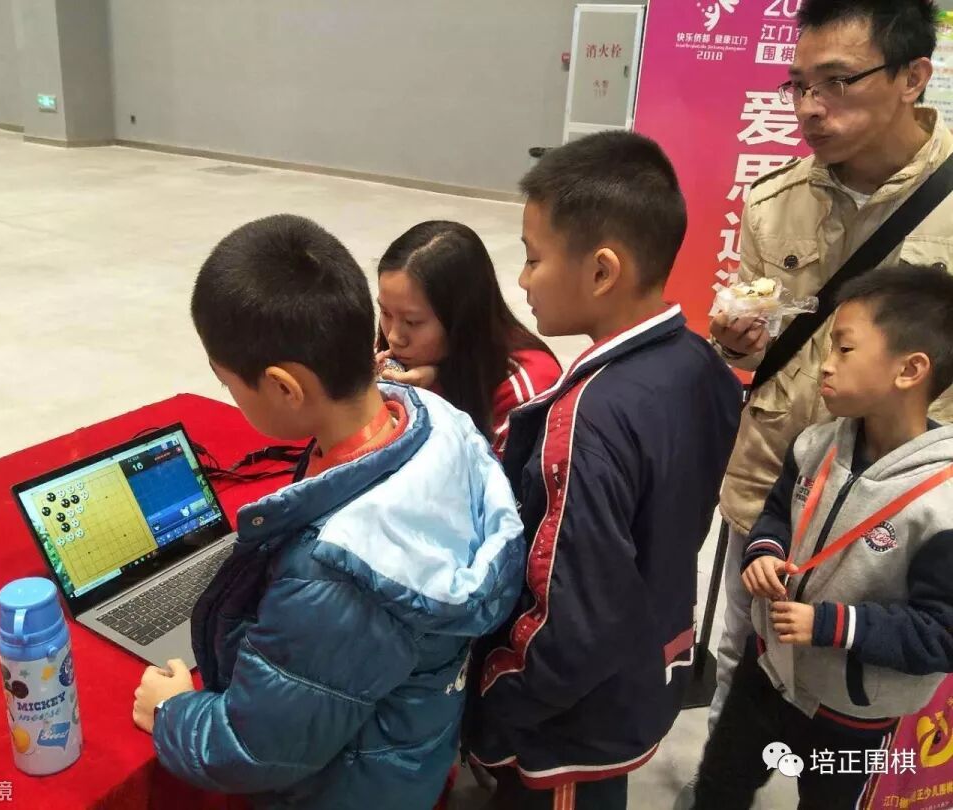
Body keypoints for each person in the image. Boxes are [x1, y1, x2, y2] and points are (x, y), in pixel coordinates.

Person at [130, 214, 525, 810]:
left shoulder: (336, 572)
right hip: (407, 753)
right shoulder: (432, 416)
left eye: (230, 385)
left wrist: (173, 711)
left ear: (285, 388)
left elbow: (254, 747)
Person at [463, 131, 742, 809]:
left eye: (533, 259)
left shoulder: (585, 420)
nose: (523, 280)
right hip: (648, 654)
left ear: (602, 271)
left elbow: (571, 625)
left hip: (571, 724)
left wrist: (490, 693)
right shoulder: (701, 363)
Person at [708, 0, 953, 741]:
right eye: (799, 85)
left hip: (901, 508)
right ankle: (723, 781)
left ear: (913, 76)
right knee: (744, 654)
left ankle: (841, 783)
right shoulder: (774, 202)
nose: (810, 108)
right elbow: (767, 348)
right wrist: (738, 342)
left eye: (838, 82)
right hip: (775, 483)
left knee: (873, 684)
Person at [694, 263, 953, 808]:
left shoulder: (942, 505)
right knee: (720, 782)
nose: (825, 366)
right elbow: (776, 514)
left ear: (910, 370)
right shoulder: (815, 444)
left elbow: (941, 634)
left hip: (854, 712)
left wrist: (834, 625)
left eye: (844, 349)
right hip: (769, 669)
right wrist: (764, 552)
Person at [375, 221, 561, 457]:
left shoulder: (525, 389)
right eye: (385, 313)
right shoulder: (394, 359)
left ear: (463, 317)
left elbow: (486, 477)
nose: (394, 337)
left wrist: (428, 400)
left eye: (412, 322)